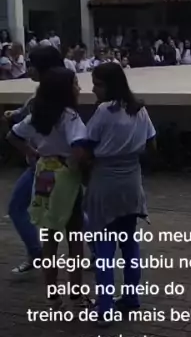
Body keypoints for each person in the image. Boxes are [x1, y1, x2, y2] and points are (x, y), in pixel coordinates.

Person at [79, 63, 156, 321]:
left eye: (98, 84)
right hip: (131, 182)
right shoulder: (139, 109)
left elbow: (86, 147)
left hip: (105, 182)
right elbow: (151, 143)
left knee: (104, 247)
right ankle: (132, 297)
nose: (93, 89)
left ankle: (105, 307)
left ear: (110, 85)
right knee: (129, 243)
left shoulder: (104, 111)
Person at [8, 68, 88, 307]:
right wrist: (87, 169)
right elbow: (78, 148)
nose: (79, 88)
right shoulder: (70, 116)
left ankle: (52, 294)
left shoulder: (38, 115)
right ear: (65, 90)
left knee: (50, 237)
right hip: (66, 177)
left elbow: (13, 135)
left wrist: (32, 153)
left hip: (44, 174)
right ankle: (76, 292)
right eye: (75, 84)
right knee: (74, 238)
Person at [5, 45, 65, 274]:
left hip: (45, 164)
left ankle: (38, 253)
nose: (28, 69)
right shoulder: (60, 93)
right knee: (71, 209)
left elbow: (18, 130)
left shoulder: (42, 99)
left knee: (21, 208)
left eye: (33, 65)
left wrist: (30, 151)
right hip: (53, 163)